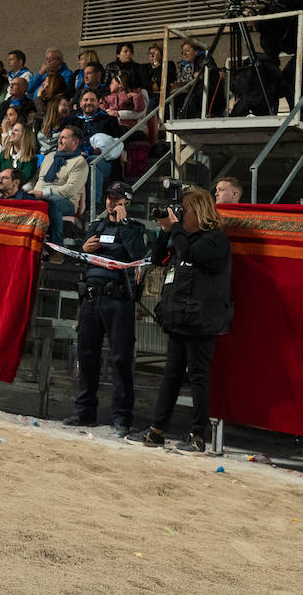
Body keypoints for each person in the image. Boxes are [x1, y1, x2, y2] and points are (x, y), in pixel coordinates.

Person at [130, 188, 232, 453]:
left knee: (198, 377)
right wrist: (166, 231)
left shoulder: (215, 240)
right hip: (179, 318)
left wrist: (175, 229)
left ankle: (197, 435)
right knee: (171, 376)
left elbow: (189, 254)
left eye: (184, 211)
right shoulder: (182, 237)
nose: (181, 216)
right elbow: (157, 259)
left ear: (199, 212)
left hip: (201, 321)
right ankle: (156, 430)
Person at [65, 181, 148, 437]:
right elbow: (81, 256)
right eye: (110, 198)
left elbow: (138, 254)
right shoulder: (96, 226)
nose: (112, 202)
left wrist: (124, 224)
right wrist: (82, 249)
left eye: (118, 198)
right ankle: (85, 412)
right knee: (87, 356)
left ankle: (121, 418)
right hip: (91, 298)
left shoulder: (135, 228)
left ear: (127, 202)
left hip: (118, 300)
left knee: (120, 359)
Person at [29, 125, 88, 260]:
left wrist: (43, 193)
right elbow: (37, 179)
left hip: (66, 202)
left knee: (52, 203)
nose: (60, 140)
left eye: (64, 138)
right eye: (60, 137)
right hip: (38, 196)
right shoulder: (49, 156)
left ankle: (56, 248)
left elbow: (70, 190)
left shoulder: (80, 162)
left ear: (75, 142)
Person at [0, 121, 37, 188]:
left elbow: (22, 179)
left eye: (16, 130)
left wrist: (1, 176)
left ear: (25, 136)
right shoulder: (4, 153)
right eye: (12, 130)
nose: (12, 132)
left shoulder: (31, 159)